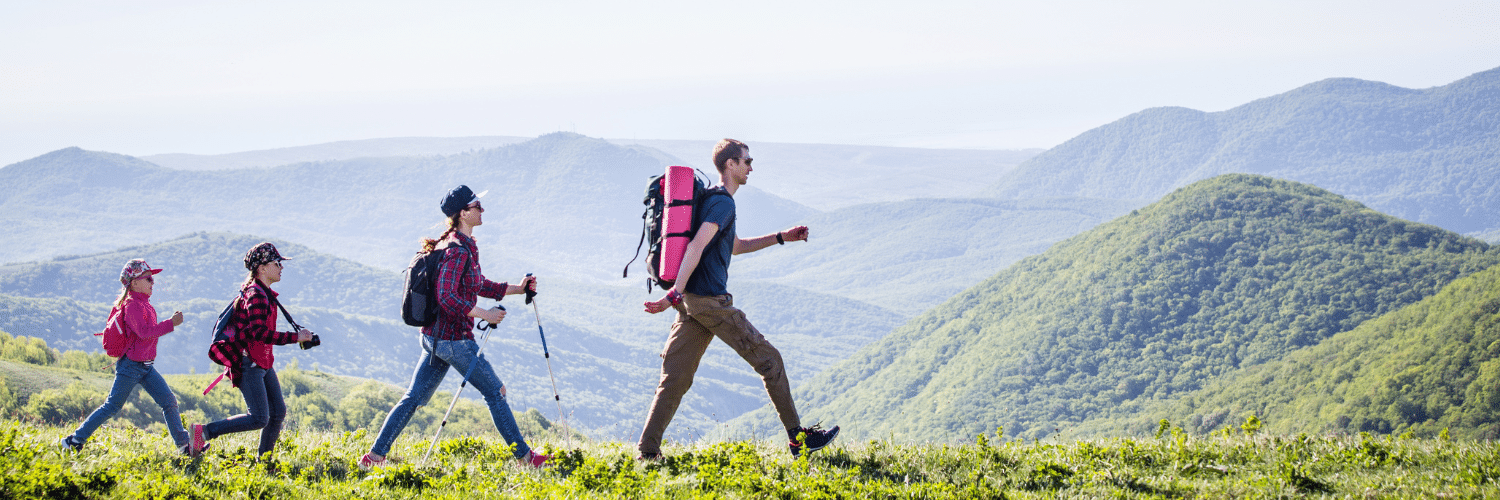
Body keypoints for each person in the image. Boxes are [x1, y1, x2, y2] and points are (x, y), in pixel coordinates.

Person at [637, 138, 839, 460]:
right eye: (746, 161)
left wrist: (780, 238)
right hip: (709, 303)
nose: (751, 167)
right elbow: (695, 247)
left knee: (674, 379)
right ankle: (798, 440)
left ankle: (647, 452)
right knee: (770, 361)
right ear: (730, 165)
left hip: (692, 303)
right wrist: (673, 293)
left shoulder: (715, 201)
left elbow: (734, 246)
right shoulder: (723, 204)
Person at [358, 185, 548, 470]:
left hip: (434, 338)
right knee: (495, 392)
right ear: (462, 213)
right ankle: (525, 458)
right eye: (476, 206)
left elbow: (476, 284)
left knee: (413, 399)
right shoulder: (458, 250)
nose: (482, 210)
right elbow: (447, 297)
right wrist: (486, 313)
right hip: (454, 340)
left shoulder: (456, 243)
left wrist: (518, 289)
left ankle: (373, 458)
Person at [190, 242, 315, 458]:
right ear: (262, 268)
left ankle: (264, 460)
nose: (281, 267)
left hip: (262, 362)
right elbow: (259, 333)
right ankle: (204, 432)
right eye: (277, 263)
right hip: (250, 363)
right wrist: (296, 338)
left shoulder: (263, 292)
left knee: (277, 412)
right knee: (259, 418)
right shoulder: (256, 295)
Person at [60, 259, 191, 454]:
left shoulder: (144, 304)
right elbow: (145, 332)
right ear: (134, 282)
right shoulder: (133, 306)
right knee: (112, 406)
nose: (152, 282)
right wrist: (171, 323)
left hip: (145, 366)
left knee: (169, 401)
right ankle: (74, 440)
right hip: (131, 366)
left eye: (152, 279)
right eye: (148, 279)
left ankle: (184, 446)